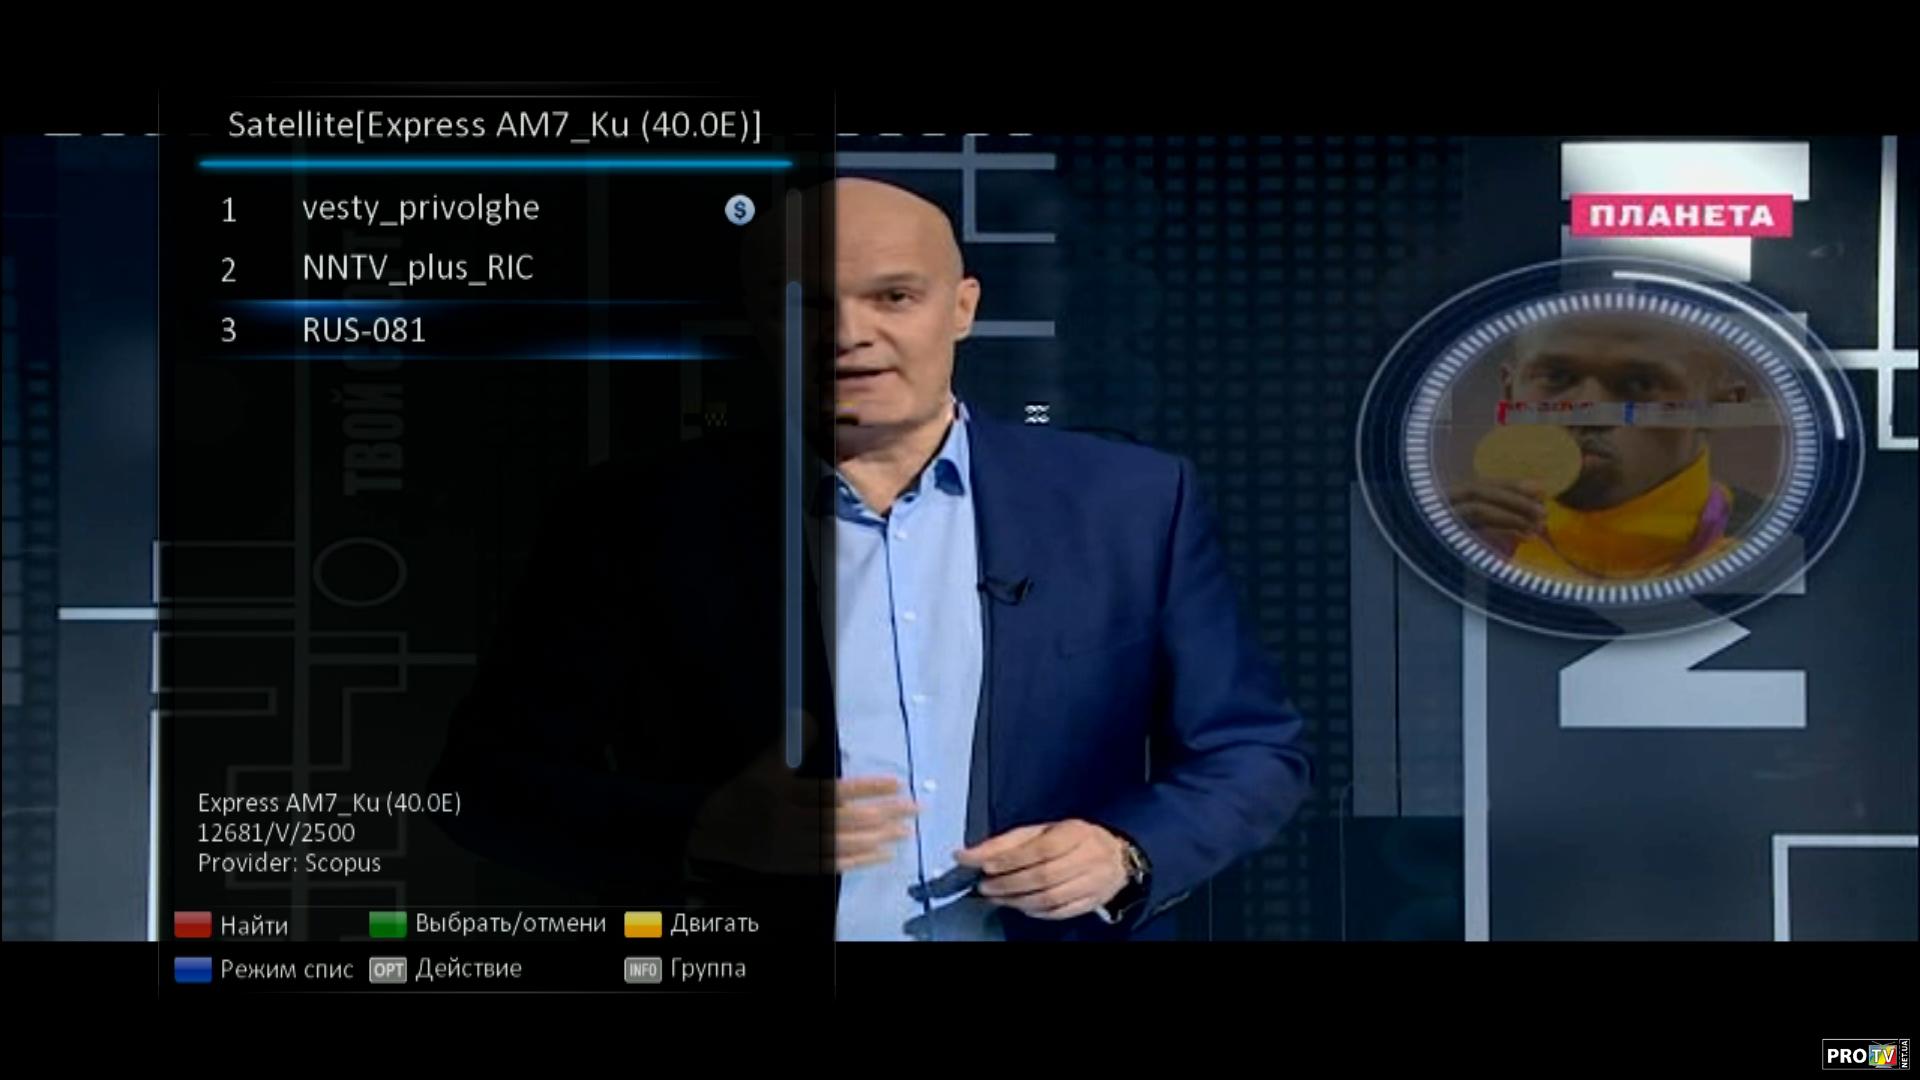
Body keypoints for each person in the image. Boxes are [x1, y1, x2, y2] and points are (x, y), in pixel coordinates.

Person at [819, 178, 1310, 940]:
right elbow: (603, 783)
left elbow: (1251, 751)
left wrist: (1126, 853)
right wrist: (706, 827)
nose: (849, 333)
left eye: (894, 297)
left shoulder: (1129, 504)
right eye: (809, 304)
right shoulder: (652, 523)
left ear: (962, 307)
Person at [1448, 312, 1765, 582]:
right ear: (1510, 392)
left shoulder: (1778, 552)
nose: (1588, 412)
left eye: (1641, 384)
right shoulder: (1453, 546)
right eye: (1556, 378)